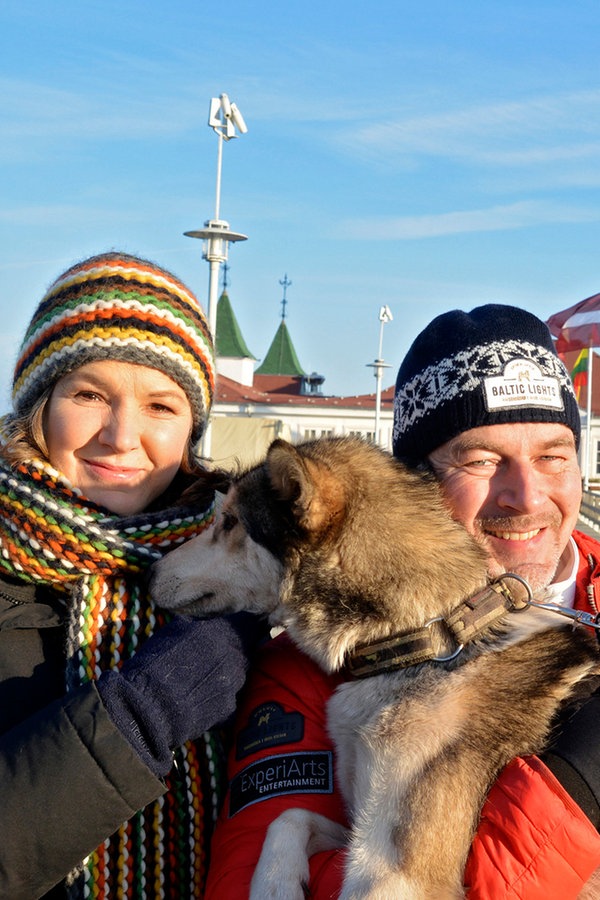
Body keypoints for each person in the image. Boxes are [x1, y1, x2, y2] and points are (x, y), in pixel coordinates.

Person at [205, 303, 600, 899]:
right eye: (482, 460)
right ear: (416, 485)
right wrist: (579, 782)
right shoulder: (317, 665)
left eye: (553, 456)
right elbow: (251, 882)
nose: (526, 496)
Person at [0, 251, 256, 899]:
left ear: (191, 428)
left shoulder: (245, 586)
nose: (122, 436)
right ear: (39, 404)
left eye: (161, 407)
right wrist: (143, 713)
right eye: (89, 394)